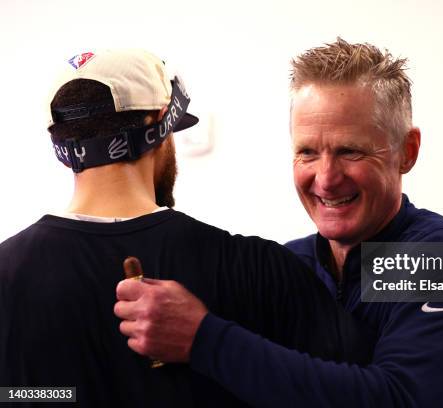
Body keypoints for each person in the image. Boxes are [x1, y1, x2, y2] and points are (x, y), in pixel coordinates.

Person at [115, 39, 443, 407]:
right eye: (307, 151)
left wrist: (205, 339)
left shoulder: (438, 253)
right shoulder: (292, 261)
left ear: (406, 151)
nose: (325, 178)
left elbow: (396, 399)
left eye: (350, 150)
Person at [0, 49, 374, 407]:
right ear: (160, 122)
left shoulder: (7, 273)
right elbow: (366, 393)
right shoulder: (261, 269)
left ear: (63, 146)